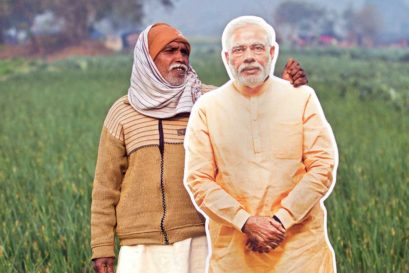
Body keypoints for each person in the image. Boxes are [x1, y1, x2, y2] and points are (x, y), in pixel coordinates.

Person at [91, 22, 308, 273]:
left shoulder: (208, 102)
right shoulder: (123, 113)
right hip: (140, 248)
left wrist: (286, 90)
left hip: (200, 240)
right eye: (170, 51)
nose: (179, 58)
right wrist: (102, 247)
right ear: (148, 59)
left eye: (184, 52)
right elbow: (105, 187)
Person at [184, 16, 338, 273]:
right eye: (239, 49)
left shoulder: (301, 98)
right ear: (226, 57)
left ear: (272, 52)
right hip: (235, 255)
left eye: (257, 47)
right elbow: (198, 181)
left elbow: (322, 167)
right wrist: (245, 222)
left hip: (301, 255)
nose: (248, 57)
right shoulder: (207, 109)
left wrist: (281, 220)